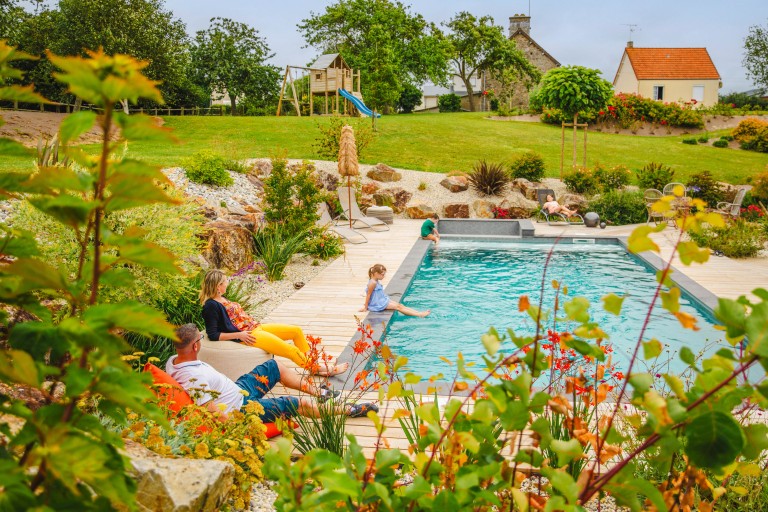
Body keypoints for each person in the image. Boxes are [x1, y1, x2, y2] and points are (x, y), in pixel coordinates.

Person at [167, 324, 378, 423]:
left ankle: (320, 393)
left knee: (274, 365)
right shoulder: (195, 380)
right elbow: (213, 413)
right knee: (298, 404)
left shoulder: (173, 362)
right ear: (195, 346)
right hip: (242, 408)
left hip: (239, 390)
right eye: (200, 339)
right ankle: (348, 410)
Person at [200, 269, 348, 376]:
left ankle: (313, 364)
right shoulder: (210, 305)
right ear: (218, 286)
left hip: (256, 327)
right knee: (290, 350)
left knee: (296, 331)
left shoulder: (222, 299)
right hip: (249, 335)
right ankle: (318, 369)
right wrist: (240, 335)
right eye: (225, 281)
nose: (227, 283)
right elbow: (213, 334)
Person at [360, 264, 430, 317]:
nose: (383, 276)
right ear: (376, 274)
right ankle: (419, 315)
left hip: (382, 299)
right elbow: (368, 295)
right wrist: (366, 307)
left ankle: (418, 313)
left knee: (400, 305)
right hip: (378, 303)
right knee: (398, 307)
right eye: (382, 275)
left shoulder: (375, 280)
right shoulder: (372, 283)